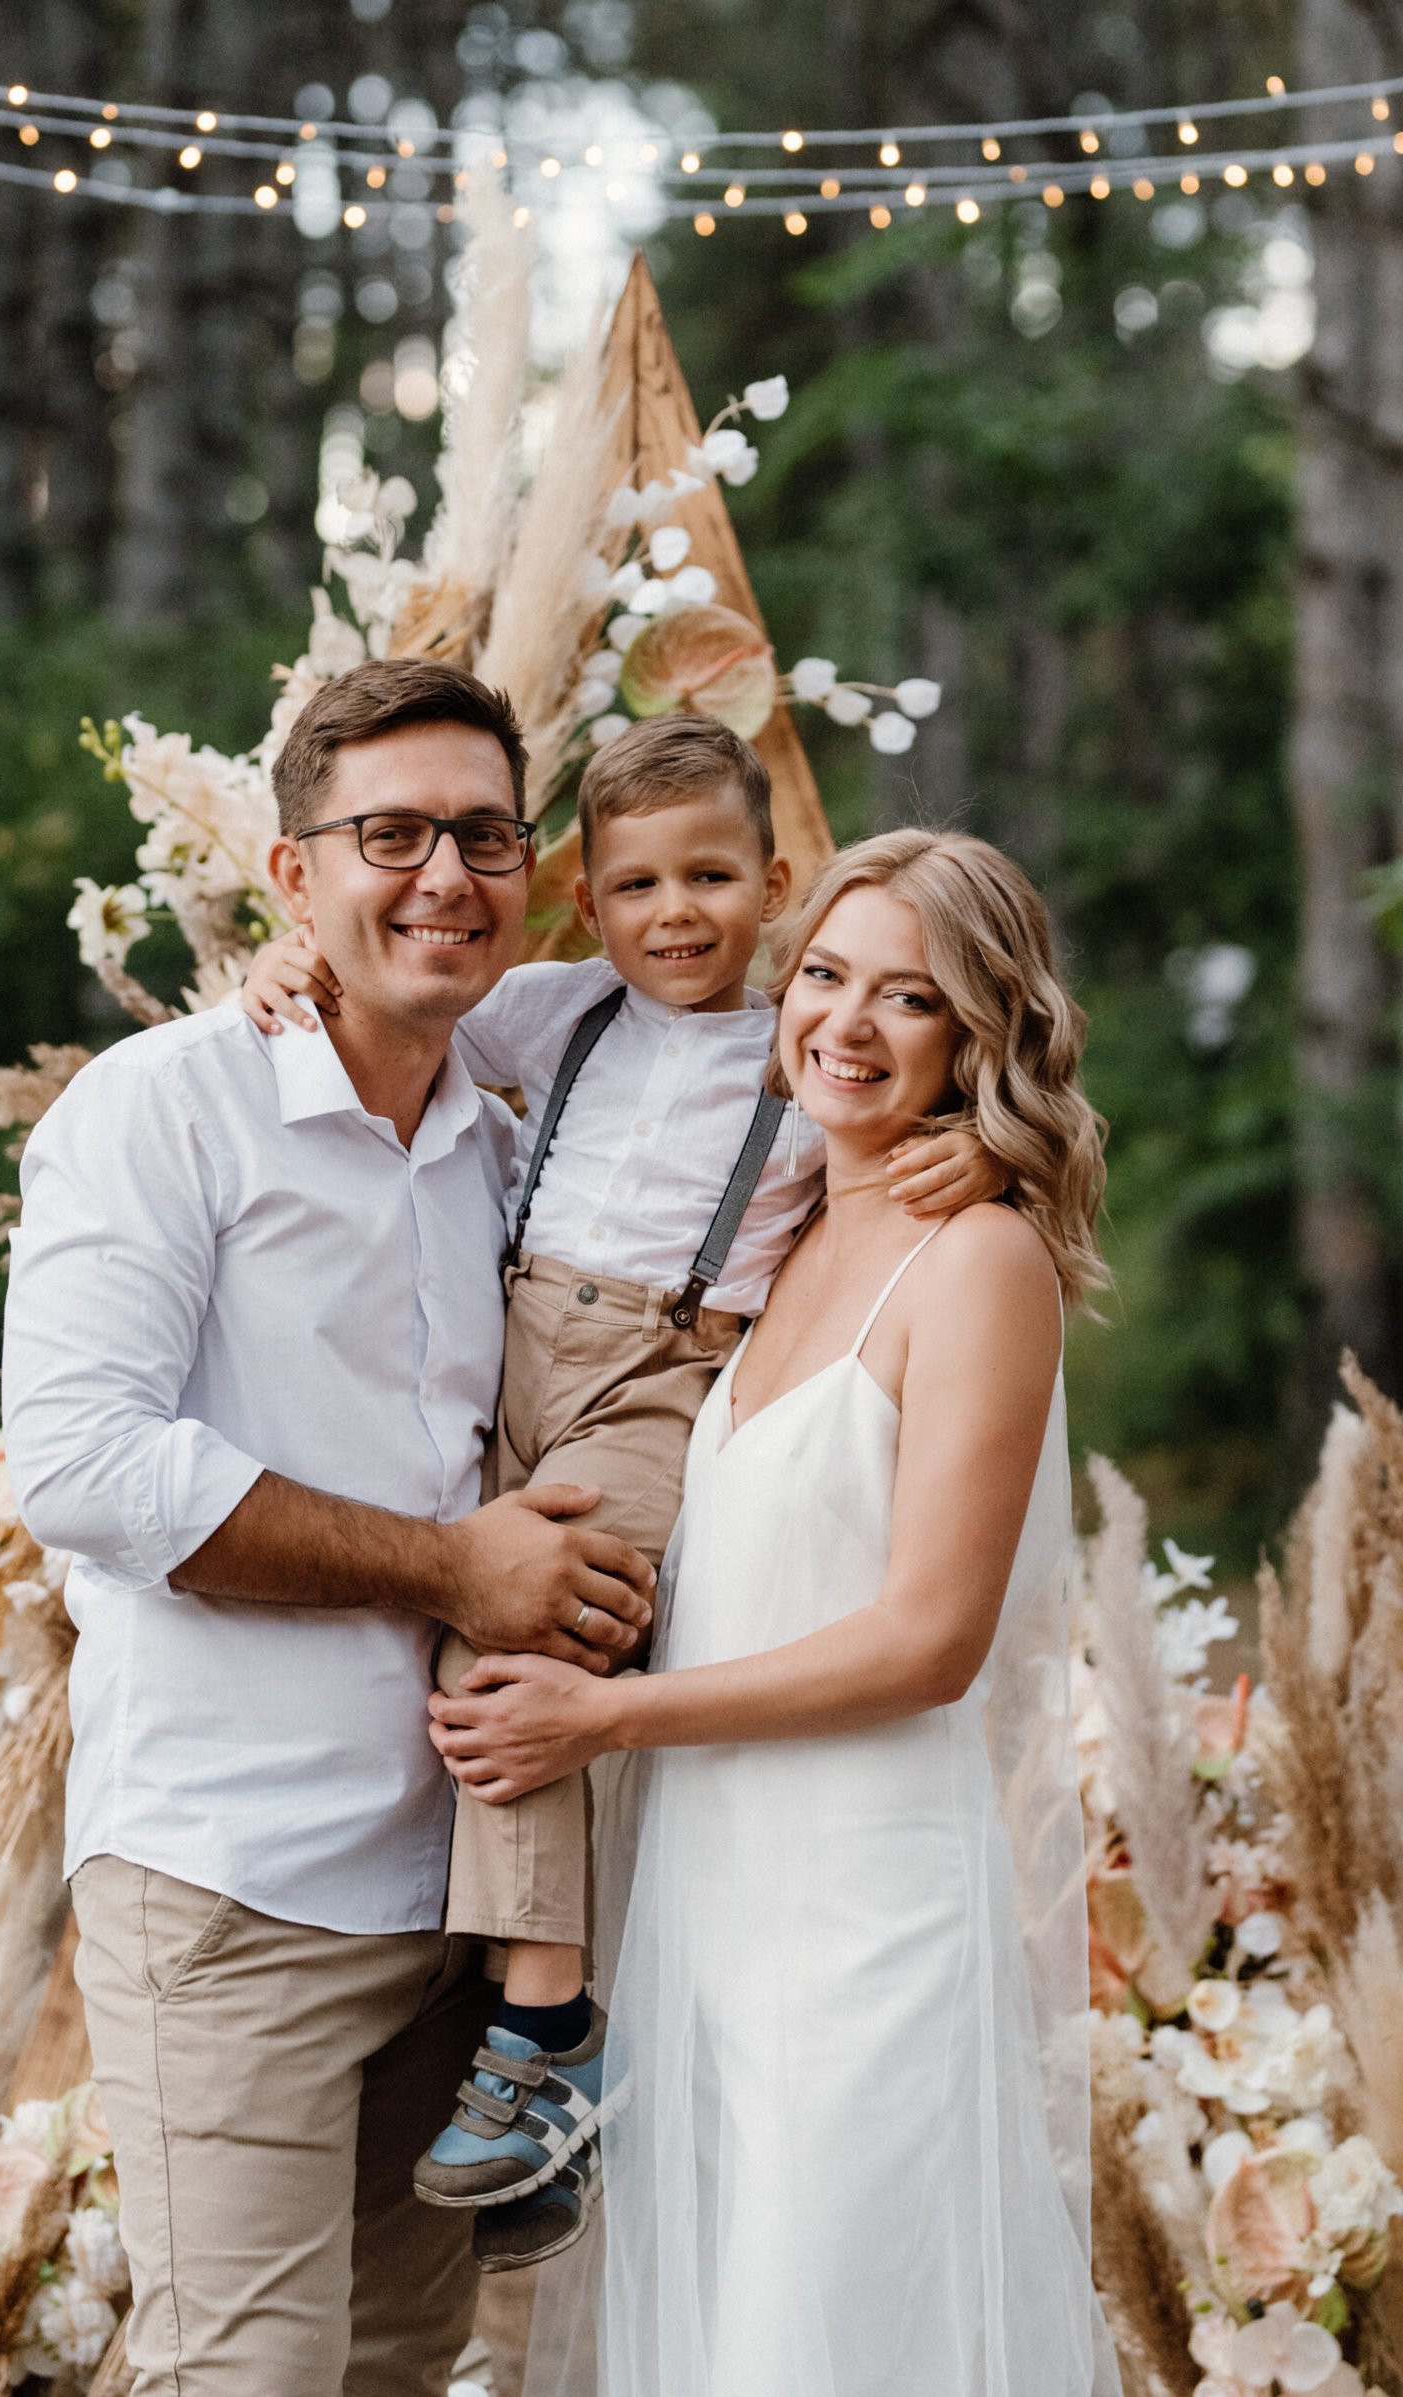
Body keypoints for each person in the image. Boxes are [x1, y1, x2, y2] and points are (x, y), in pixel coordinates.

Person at [242, 720, 1003, 2271]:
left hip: (658, 1368)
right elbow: (395, 998)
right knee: (453, 1626)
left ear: (773, 884)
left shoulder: (798, 1052)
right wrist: (283, 973)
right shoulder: (549, 1012)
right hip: (510, 1349)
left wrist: (977, 1156)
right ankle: (531, 2050)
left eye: (715, 878)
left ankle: (548, 2028)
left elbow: (915, 1115)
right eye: (642, 883)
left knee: (526, 1644)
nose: (678, 914)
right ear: (589, 903)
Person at [0, 658, 657, 2397]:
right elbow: (82, 1463)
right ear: (292, 876)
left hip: (459, 1890)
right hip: (236, 1883)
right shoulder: (161, 1113)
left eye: (486, 835)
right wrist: (455, 1565)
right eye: (390, 834)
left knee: (394, 2370)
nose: (445, 873)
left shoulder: (507, 1138)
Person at [429, 829, 1121, 2395]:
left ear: (980, 1037)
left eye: (913, 999)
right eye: (823, 976)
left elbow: (928, 1641)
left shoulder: (979, 1260)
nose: (847, 1026)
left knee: (822, 2343)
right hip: (706, 1906)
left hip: (864, 1920)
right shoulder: (786, 1216)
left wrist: (603, 1713)